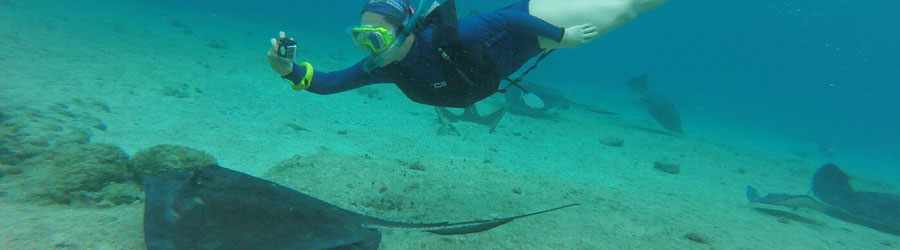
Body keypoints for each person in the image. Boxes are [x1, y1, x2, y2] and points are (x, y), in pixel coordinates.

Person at [267, 0, 666, 108]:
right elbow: (329, 82)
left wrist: (562, 35)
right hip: (515, 41)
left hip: (534, 24)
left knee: (626, 6)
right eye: (360, 37)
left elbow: (511, 20)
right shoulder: (388, 68)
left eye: (374, 37)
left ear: (407, 32)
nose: (367, 49)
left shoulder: (452, 37)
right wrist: (287, 69)